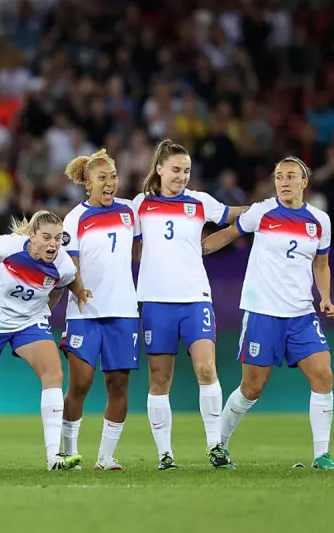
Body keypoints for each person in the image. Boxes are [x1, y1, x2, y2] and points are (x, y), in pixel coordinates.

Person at [201, 157, 334, 470]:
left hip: (302, 315)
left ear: (305, 182)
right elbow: (230, 234)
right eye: (279, 176)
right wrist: (195, 251)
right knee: (252, 387)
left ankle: (321, 456)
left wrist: (325, 296)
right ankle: (218, 445)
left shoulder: (320, 221)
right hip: (263, 312)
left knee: (324, 377)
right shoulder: (262, 211)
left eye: (291, 176)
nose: (284, 182)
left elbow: (321, 264)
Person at [134, 139, 246, 470]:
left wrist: (264, 209)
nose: (181, 176)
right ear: (159, 170)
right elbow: (129, 243)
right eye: (175, 170)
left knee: (206, 369)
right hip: (155, 301)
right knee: (159, 379)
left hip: (196, 299)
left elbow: (229, 215)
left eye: (186, 171)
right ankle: (164, 454)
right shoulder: (140, 205)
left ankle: (216, 446)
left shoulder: (199, 202)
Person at [0, 211, 90, 471]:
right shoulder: (8, 245)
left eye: (58, 239)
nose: (53, 244)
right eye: (46, 237)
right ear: (32, 236)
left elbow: (70, 280)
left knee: (54, 374)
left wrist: (80, 293)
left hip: (29, 321)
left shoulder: (63, 264)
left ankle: (53, 458)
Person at [60, 149, 140, 471]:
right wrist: (78, 290)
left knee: (118, 385)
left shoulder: (129, 212)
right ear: (87, 184)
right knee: (80, 384)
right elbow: (70, 265)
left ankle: (106, 457)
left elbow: (139, 252)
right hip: (84, 313)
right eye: (101, 178)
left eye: (113, 176)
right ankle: (68, 453)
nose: (109, 183)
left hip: (123, 311)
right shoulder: (74, 218)